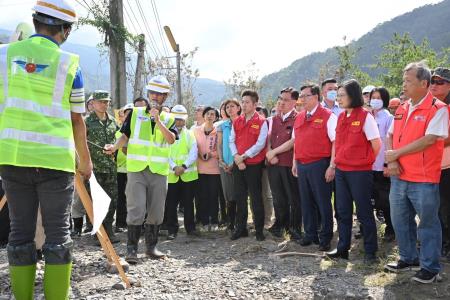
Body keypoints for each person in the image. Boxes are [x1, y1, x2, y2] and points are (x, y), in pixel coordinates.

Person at [0, 1, 93, 298]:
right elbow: (77, 119)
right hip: (55, 161)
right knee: (57, 234)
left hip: (13, 157)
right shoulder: (70, 64)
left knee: (20, 231)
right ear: (65, 30)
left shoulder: (3, 56)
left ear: (35, 21)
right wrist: (86, 163)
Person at [384, 62, 449, 283]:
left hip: (423, 178)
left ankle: (430, 267)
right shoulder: (402, 107)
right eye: (403, 80)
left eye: (408, 81)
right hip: (399, 175)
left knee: (428, 223)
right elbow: (390, 134)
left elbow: (430, 139)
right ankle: (408, 258)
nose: (404, 85)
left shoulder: (438, 109)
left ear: (424, 83)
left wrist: (396, 154)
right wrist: (392, 161)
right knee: (400, 220)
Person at [105, 75, 176, 264]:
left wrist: (158, 120)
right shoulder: (135, 113)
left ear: (166, 96)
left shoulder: (169, 118)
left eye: (160, 94)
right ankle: (132, 249)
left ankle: (151, 247)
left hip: (159, 171)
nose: (155, 96)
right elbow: (125, 136)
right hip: (137, 168)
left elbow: (170, 140)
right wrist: (114, 147)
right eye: (152, 92)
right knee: (136, 209)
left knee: (156, 211)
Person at [325, 79, 381, 265]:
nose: (338, 99)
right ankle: (343, 248)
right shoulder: (341, 117)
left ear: (353, 96)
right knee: (342, 211)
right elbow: (337, 144)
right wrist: (334, 165)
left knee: (364, 212)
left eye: (342, 95)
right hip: (341, 171)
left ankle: (370, 251)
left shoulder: (366, 117)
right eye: (338, 95)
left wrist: (363, 161)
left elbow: (376, 145)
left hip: (360, 173)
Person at [292, 84, 337, 251]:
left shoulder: (328, 116)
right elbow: (296, 142)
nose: (302, 99)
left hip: (320, 164)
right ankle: (310, 234)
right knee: (306, 201)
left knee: (323, 202)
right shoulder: (299, 117)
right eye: (301, 96)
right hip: (302, 165)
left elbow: (335, 142)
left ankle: (325, 238)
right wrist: (294, 162)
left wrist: (332, 166)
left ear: (316, 97)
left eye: (305, 96)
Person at [229, 90, 268, 241]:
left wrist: (243, 157)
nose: (244, 105)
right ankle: (241, 228)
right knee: (240, 197)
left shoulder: (262, 121)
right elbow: (231, 140)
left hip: (253, 165)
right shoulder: (237, 121)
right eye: (242, 102)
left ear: (255, 104)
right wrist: (236, 158)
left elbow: (260, 144)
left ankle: (259, 230)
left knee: (256, 198)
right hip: (238, 163)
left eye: (247, 102)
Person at [83, 90, 119, 243]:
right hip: (94, 168)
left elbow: (119, 139)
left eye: (106, 102)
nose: (104, 104)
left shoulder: (113, 121)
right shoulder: (86, 121)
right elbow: (81, 143)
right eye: (101, 101)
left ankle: (109, 229)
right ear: (93, 103)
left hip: (110, 167)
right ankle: (97, 232)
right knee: (94, 201)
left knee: (112, 200)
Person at [266, 87, 301, 240]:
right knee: (278, 196)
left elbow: (294, 141)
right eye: (280, 99)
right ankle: (280, 224)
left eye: (286, 100)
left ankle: (294, 227)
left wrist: (274, 152)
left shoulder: (298, 118)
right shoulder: (273, 119)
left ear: (295, 102)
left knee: (293, 197)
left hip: (289, 163)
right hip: (273, 164)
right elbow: (267, 138)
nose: (282, 102)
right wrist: (269, 153)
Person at [164, 105, 199, 239]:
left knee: (189, 204)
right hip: (172, 176)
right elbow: (164, 153)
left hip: (188, 175)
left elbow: (193, 152)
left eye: (181, 119)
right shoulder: (166, 134)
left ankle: (190, 228)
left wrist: (183, 166)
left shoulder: (190, 134)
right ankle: (172, 230)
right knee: (171, 204)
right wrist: (174, 167)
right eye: (176, 119)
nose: (179, 122)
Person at [369, 87, 395, 242]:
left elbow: (389, 142)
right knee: (367, 199)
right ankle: (367, 229)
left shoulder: (387, 117)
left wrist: (387, 163)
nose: (375, 100)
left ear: (384, 99)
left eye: (378, 97)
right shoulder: (368, 116)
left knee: (384, 200)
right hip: (367, 166)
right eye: (373, 97)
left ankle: (390, 228)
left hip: (381, 166)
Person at [430, 67, 450, 256]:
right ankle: (441, 242)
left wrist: (427, 142)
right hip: (432, 165)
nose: (434, 85)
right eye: (432, 81)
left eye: (440, 82)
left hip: (447, 166)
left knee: (446, 205)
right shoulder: (431, 105)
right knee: (435, 206)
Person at [193, 107, 221, 231]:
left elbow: (221, 149)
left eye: (213, 114)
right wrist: (198, 154)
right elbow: (193, 147)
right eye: (208, 114)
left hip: (214, 169)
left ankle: (214, 220)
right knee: (201, 195)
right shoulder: (195, 130)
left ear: (216, 117)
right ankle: (203, 221)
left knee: (213, 196)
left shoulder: (218, 131)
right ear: (204, 116)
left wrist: (211, 154)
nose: (210, 116)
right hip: (199, 168)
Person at [217, 99, 241, 231]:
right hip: (224, 164)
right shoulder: (222, 125)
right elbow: (219, 144)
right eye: (227, 107)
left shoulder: (242, 123)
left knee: (239, 194)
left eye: (232, 106)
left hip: (239, 163)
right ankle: (231, 223)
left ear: (238, 107)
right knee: (228, 195)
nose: (229, 109)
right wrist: (221, 160)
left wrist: (234, 163)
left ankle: (240, 223)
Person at [115, 103, 134, 232]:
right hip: (121, 170)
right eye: (126, 114)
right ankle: (120, 223)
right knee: (121, 197)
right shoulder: (118, 133)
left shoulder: (139, 133)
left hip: (135, 169)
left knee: (134, 198)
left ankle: (133, 222)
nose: (128, 116)